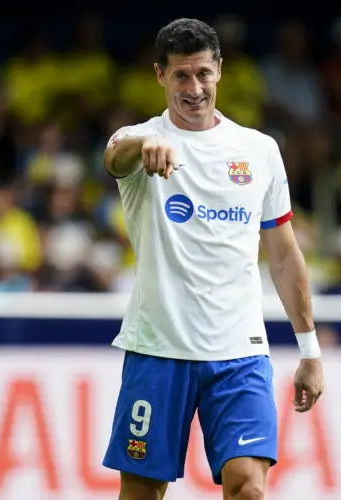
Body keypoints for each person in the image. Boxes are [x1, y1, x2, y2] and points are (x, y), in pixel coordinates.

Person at [101, 19, 324, 500]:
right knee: (142, 492)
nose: (194, 88)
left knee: (248, 487)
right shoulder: (139, 139)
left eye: (203, 73)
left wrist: (309, 351)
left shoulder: (259, 150)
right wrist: (146, 146)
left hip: (239, 351)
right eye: (181, 75)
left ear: (219, 70)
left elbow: (284, 255)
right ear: (159, 76)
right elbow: (115, 158)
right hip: (159, 348)